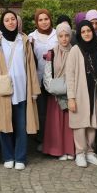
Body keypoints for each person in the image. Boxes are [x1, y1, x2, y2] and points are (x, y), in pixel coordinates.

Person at [0, 10, 40, 171]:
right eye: (7, 20)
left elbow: (31, 66)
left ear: (17, 22)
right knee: (4, 126)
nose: (11, 22)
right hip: (3, 91)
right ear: (2, 23)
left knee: (21, 126)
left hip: (22, 90)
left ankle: (20, 157)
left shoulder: (24, 41)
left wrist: (34, 90)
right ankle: (8, 156)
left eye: (13, 19)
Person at [67, 20, 97, 168]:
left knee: (93, 121)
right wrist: (71, 97)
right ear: (79, 33)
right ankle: (80, 153)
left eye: (88, 31)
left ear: (93, 31)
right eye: (83, 32)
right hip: (80, 91)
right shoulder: (75, 50)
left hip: (96, 91)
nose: (86, 34)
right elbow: (69, 75)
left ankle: (90, 152)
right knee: (80, 123)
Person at [41, 22, 75, 161]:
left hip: (71, 94)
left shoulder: (75, 51)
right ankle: (57, 149)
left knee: (69, 124)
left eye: (67, 35)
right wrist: (53, 89)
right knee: (56, 123)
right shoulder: (52, 53)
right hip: (56, 95)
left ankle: (69, 149)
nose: (64, 39)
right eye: (61, 36)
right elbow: (47, 73)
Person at [28, 8, 57, 150]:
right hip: (38, 80)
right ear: (36, 22)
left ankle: (56, 140)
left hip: (55, 80)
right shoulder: (31, 37)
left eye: (46, 19)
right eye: (40, 20)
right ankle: (42, 140)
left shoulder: (57, 34)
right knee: (42, 112)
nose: (44, 22)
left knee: (55, 111)